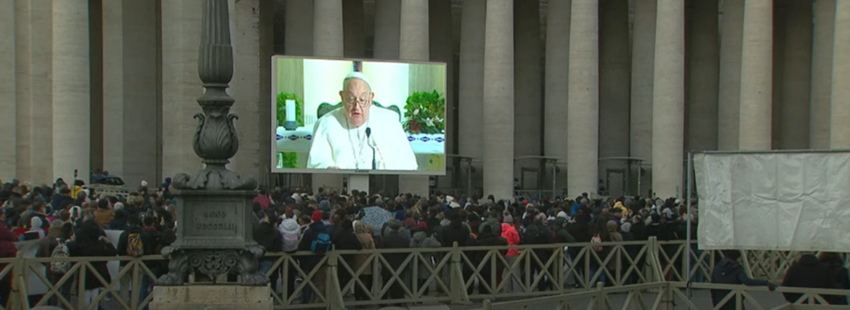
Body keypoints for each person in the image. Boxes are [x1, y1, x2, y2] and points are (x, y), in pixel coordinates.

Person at [307, 71, 418, 170]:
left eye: (362, 100)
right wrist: (329, 169)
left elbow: (407, 164)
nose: (357, 106)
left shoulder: (390, 121)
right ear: (342, 97)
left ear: (370, 99)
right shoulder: (326, 124)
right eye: (350, 99)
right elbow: (317, 164)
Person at [711, 250, 776, 310]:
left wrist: (715, 304)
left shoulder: (717, 268)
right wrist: (765, 282)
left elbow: (712, 288)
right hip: (734, 303)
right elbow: (747, 281)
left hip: (720, 303)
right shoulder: (737, 269)